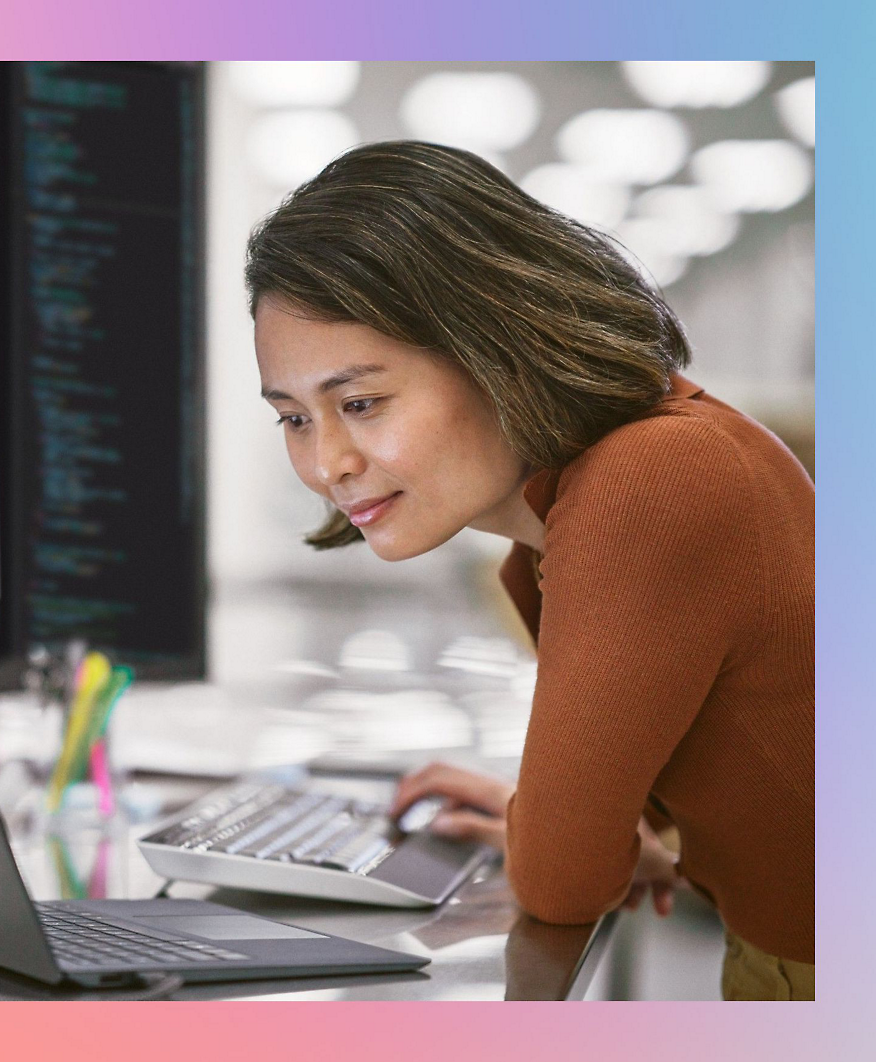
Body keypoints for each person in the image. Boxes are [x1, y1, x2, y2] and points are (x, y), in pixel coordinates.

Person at [246, 142, 814, 1001]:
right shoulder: (563, 520)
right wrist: (546, 818)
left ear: (494, 349)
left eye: (359, 403)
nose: (327, 463)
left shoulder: (653, 481)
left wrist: (551, 831)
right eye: (293, 418)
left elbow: (563, 880)